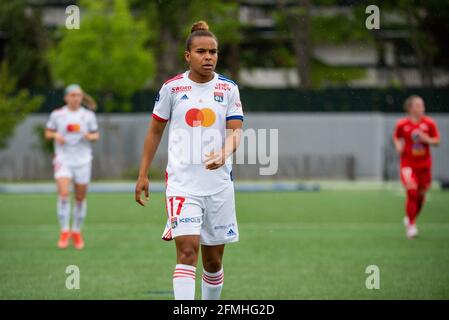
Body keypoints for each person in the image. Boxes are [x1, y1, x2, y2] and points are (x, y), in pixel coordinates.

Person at [135, 21, 244, 300]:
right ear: (188, 55)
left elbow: (236, 133)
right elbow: (154, 131)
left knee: (213, 262)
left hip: (219, 186)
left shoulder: (228, 89)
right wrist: (143, 174)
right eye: (201, 52)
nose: (208, 57)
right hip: (182, 185)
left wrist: (224, 153)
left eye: (213, 52)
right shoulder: (172, 88)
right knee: (186, 253)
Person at [45, 84, 100, 249]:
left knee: (80, 197)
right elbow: (47, 133)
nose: (76, 98)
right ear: (66, 97)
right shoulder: (58, 114)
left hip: (83, 160)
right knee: (63, 194)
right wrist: (56, 135)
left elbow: (96, 135)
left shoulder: (88, 116)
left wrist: (89, 136)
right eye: (73, 95)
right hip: (63, 159)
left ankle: (76, 231)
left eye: (79, 95)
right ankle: (64, 231)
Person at [393, 95, 440, 239]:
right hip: (408, 164)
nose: (422, 108)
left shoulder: (429, 123)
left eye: (422, 105)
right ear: (410, 108)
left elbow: (437, 141)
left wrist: (427, 139)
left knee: (421, 196)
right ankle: (411, 226)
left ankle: (409, 217)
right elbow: (396, 137)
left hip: (424, 166)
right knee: (412, 191)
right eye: (418, 105)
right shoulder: (402, 124)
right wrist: (398, 146)